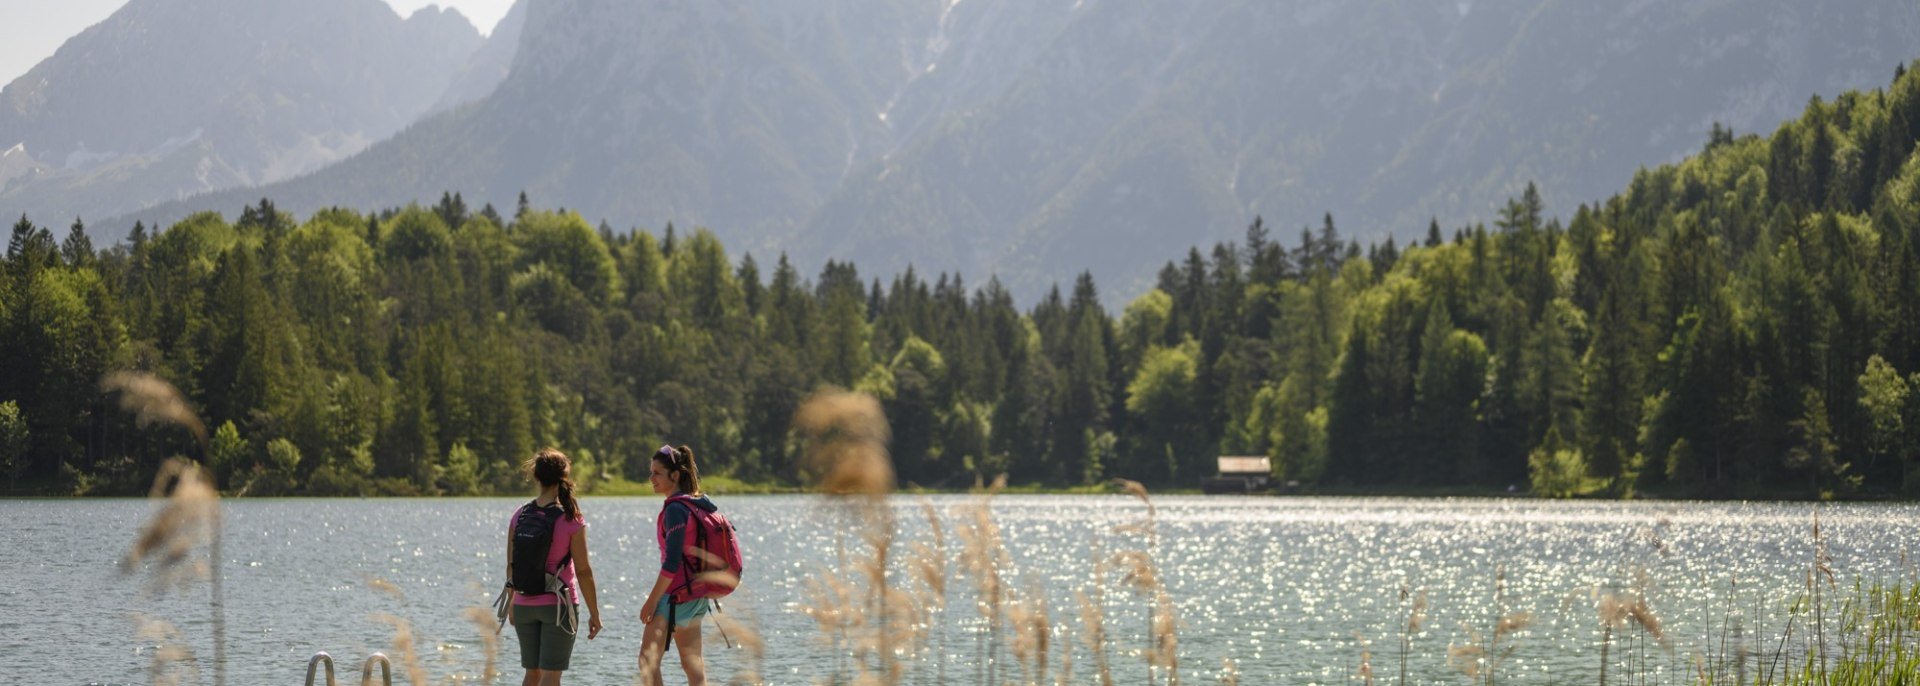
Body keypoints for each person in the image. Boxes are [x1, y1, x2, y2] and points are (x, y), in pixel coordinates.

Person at [506, 448, 602, 686]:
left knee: (532, 673)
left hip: (523, 603)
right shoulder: (570, 519)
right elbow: (583, 571)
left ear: (537, 477)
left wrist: (511, 603)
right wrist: (595, 613)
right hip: (558, 606)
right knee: (551, 675)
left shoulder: (520, 515)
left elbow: (511, 566)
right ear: (564, 478)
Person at [639, 444, 719, 686]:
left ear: (674, 476)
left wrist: (651, 602)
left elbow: (672, 563)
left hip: (674, 597)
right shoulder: (696, 503)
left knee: (647, 662)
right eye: (651, 472)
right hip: (697, 598)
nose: (651, 478)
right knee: (694, 668)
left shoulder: (675, 509)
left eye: (656, 473)